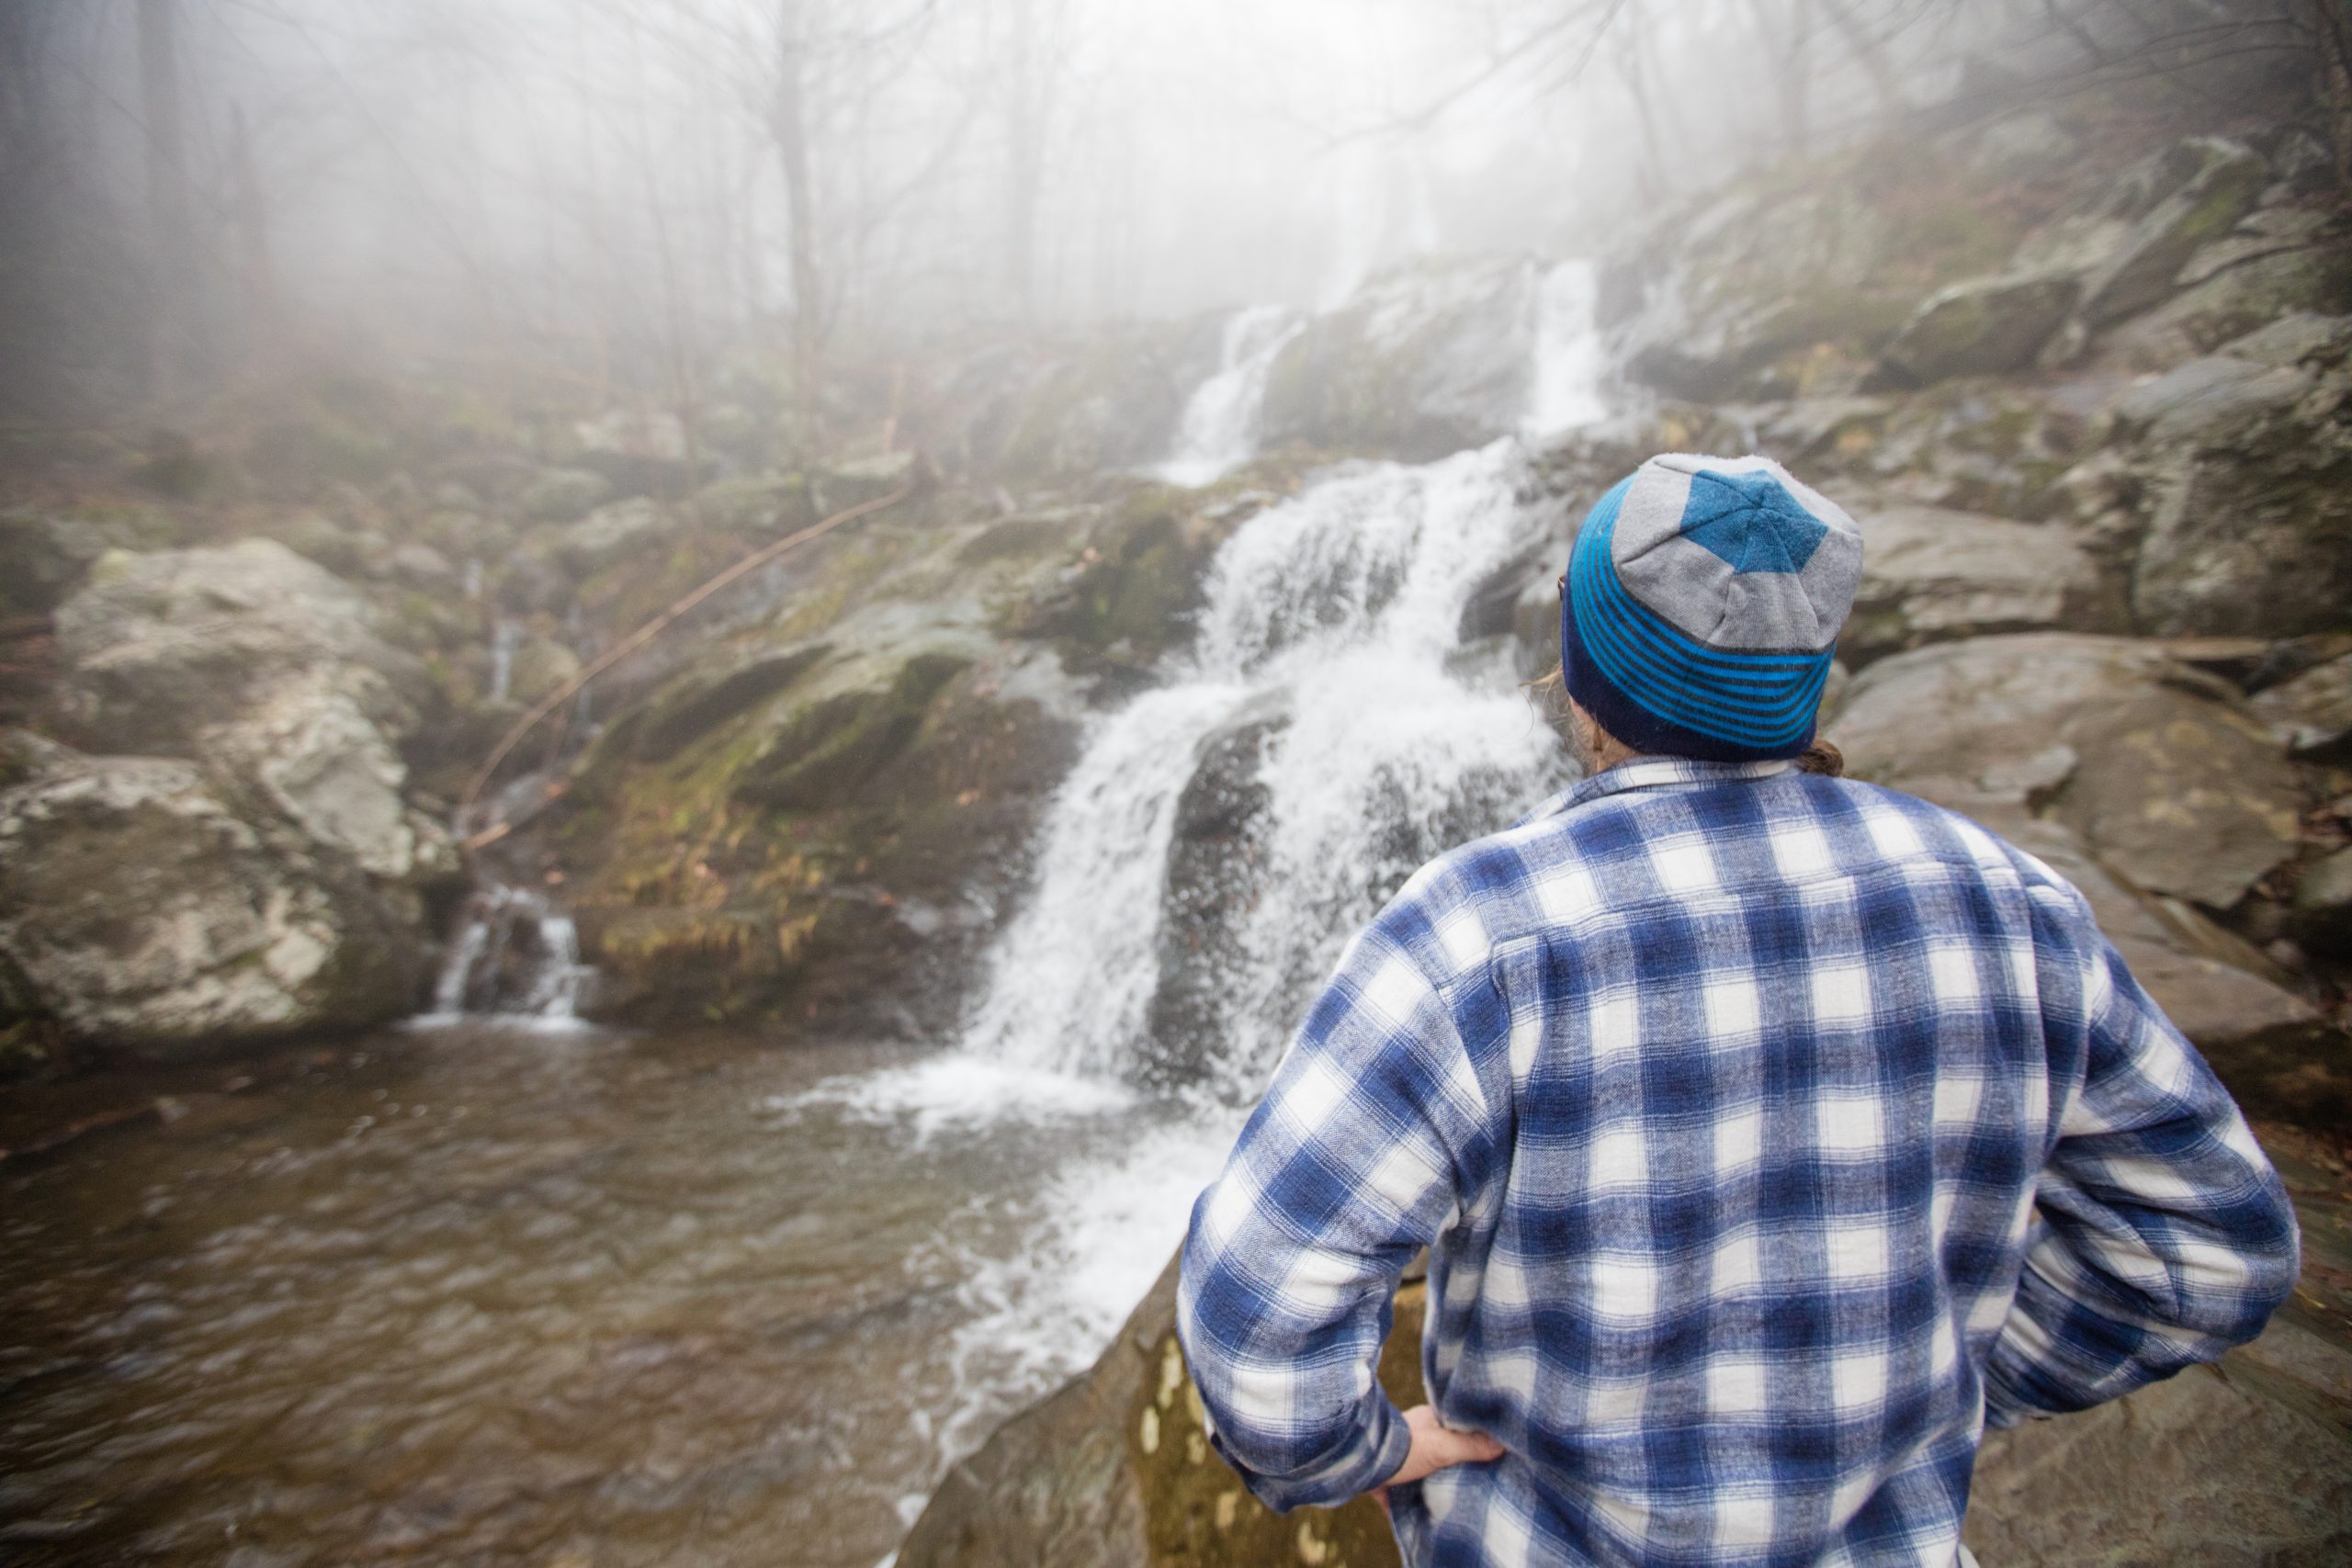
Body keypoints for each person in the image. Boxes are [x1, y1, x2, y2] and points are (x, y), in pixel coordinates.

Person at [1174, 452, 2301, 1567]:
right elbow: (2213, 1251)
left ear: (1582, 665)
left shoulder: (1478, 936)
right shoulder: (2010, 905)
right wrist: (1954, 1388)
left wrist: (1351, 1457)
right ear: (1807, 666)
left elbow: (1257, 1316)